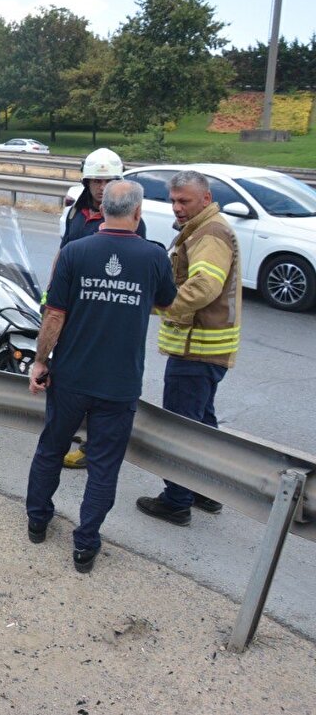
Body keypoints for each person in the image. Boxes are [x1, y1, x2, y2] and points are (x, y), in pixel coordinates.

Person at [25, 181, 176, 574]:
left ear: (101, 208)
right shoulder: (154, 256)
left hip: (71, 376)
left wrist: (41, 361)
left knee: (51, 449)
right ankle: (85, 546)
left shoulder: (75, 252)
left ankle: (38, 521)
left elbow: (54, 315)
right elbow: (165, 301)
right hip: (119, 383)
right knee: (104, 466)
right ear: (138, 212)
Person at [136, 170, 242, 526]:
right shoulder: (202, 229)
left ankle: (176, 501)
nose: (177, 208)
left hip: (195, 350)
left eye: (185, 201)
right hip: (205, 350)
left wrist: (159, 305)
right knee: (202, 426)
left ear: (206, 199)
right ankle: (207, 490)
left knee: (179, 429)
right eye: (174, 200)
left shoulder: (210, 233)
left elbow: (203, 287)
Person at [53, 147, 146, 470]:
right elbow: (63, 253)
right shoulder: (75, 213)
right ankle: (71, 433)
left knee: (103, 376)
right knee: (73, 372)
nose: (101, 187)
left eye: (108, 180)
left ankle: (93, 446)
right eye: (96, 180)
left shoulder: (131, 219)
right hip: (75, 308)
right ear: (86, 181)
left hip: (107, 312)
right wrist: (50, 295)